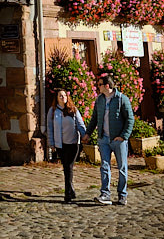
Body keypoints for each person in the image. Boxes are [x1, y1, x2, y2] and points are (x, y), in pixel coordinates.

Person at [83, 74, 134, 206]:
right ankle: (105, 194)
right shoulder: (99, 100)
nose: (97, 87)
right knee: (104, 167)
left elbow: (130, 119)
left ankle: (122, 195)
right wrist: (88, 133)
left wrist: (123, 136)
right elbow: (94, 118)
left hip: (118, 140)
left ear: (107, 86)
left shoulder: (122, 99)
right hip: (103, 139)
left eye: (99, 84)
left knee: (122, 168)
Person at [47, 87, 86, 203]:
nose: (63, 97)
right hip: (60, 145)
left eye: (64, 95)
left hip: (73, 144)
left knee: (69, 167)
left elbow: (80, 124)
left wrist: (85, 136)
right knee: (66, 168)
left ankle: (67, 194)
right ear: (57, 98)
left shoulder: (73, 110)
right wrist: (51, 143)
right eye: (60, 96)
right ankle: (71, 189)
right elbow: (50, 128)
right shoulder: (53, 111)